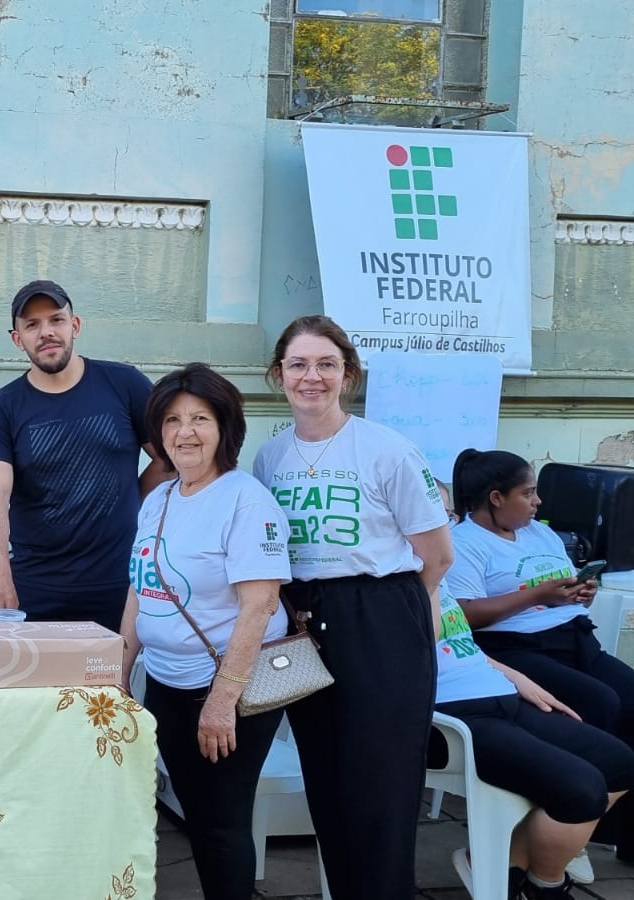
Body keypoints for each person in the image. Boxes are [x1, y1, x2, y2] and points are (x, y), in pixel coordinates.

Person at [251, 314, 453, 899]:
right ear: (279, 374)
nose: (311, 377)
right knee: (327, 780)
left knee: (381, 786)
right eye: (298, 364)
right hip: (303, 621)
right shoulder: (269, 458)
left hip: (380, 614)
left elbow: (437, 557)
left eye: (326, 364)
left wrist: (389, 616)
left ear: (349, 375)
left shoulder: (388, 450)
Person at [118, 364, 290, 900]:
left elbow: (260, 604)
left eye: (199, 419)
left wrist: (221, 701)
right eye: (172, 420)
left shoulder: (245, 500)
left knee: (220, 821)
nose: (184, 432)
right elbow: (141, 589)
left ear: (225, 427)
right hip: (167, 683)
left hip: (227, 689)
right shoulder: (160, 498)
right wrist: (119, 673)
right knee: (197, 813)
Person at [448, 448, 634, 862]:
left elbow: (560, 590)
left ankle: (621, 833)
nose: (538, 502)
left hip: (575, 638)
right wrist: (537, 595)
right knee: (602, 702)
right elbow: (463, 614)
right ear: (497, 498)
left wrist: (580, 592)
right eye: (528, 493)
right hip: (516, 648)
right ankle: (577, 825)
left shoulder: (540, 534)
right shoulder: (465, 543)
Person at [0, 279, 170, 630]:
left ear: (75, 325)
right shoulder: (1, 409)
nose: (46, 332)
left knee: (113, 669)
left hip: (120, 583)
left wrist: (132, 499)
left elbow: (168, 459)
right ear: (17, 339)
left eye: (56, 320)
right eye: (32, 325)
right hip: (35, 588)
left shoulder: (124, 384)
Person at [431, 585, 633, 899]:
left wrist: (516, 678)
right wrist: (428, 581)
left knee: (620, 764)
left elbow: (460, 645)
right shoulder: (393, 583)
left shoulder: (434, 578)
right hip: (454, 714)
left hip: (499, 691)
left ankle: (509, 864)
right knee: (583, 790)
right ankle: (546, 885)